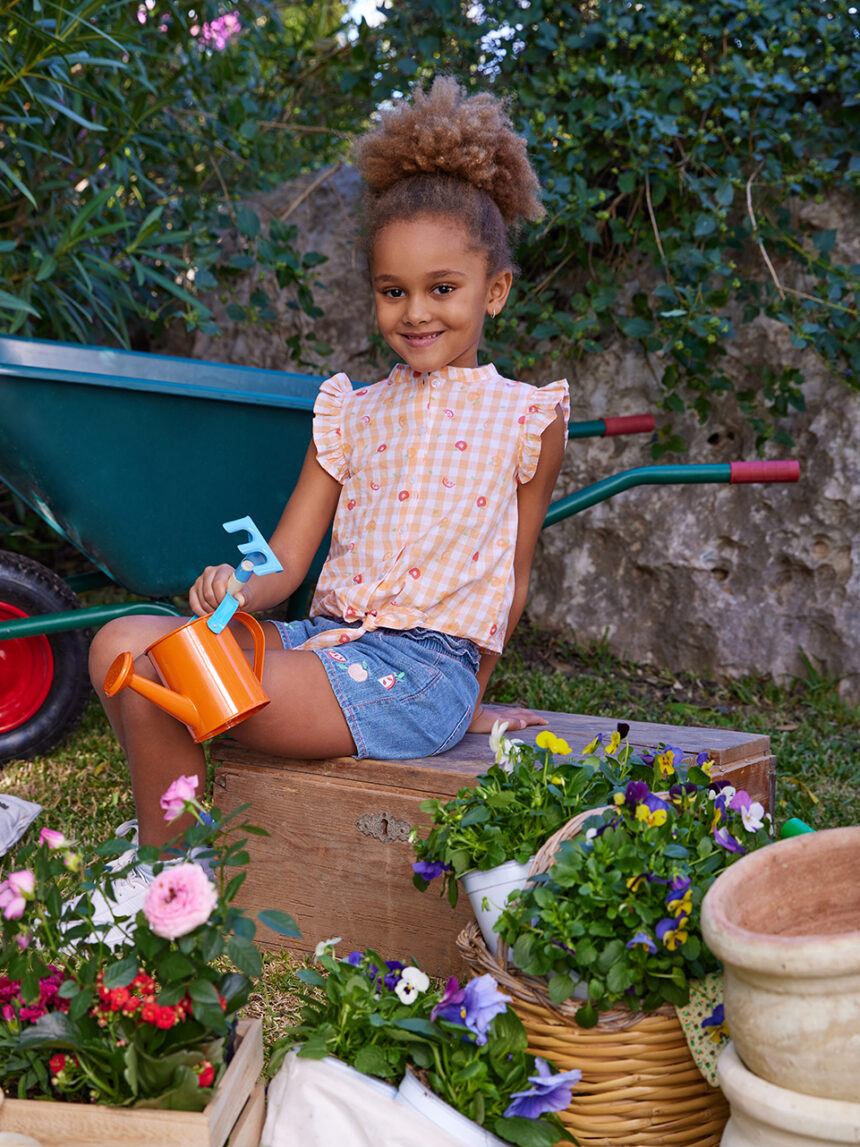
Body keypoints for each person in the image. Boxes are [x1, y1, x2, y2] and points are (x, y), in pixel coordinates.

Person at [86, 76, 570, 933]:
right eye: (393, 291)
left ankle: (171, 877)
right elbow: (286, 559)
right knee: (122, 642)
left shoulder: (527, 416)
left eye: (442, 288)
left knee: (187, 672)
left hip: (422, 671)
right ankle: (167, 865)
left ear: (493, 290)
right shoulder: (350, 410)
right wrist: (233, 587)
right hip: (325, 641)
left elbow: (514, 576)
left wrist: (470, 702)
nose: (415, 313)